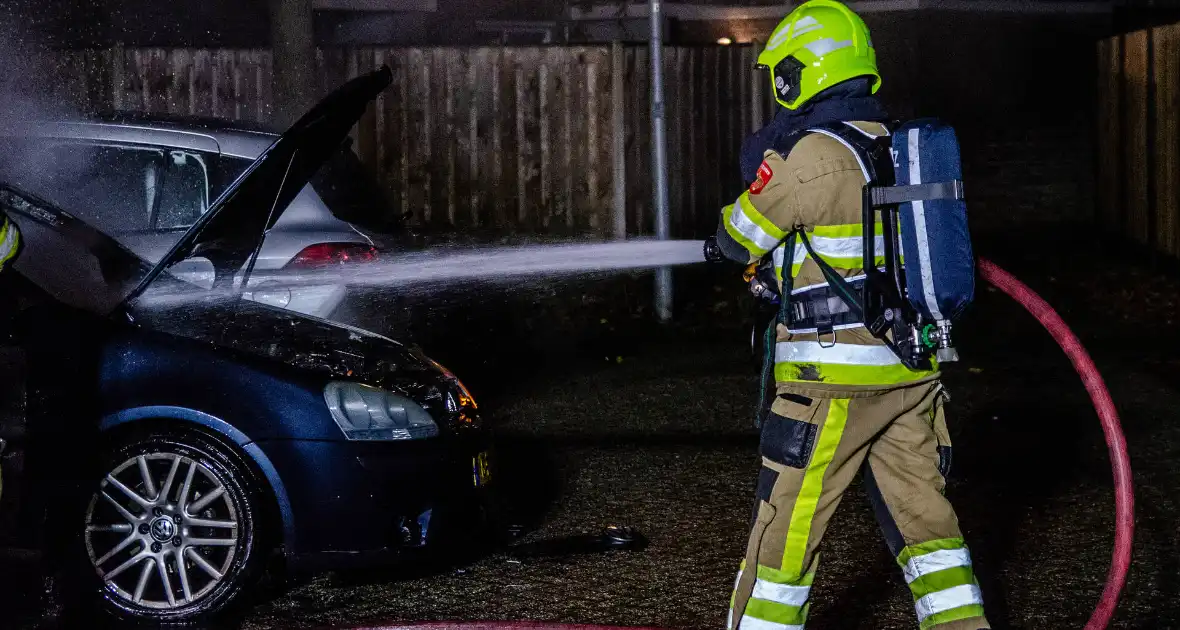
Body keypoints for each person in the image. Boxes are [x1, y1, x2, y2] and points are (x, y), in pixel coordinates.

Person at [708, 2, 990, 629]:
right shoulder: (898, 146)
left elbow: (738, 238)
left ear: (802, 72)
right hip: (911, 374)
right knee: (927, 522)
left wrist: (722, 236)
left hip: (831, 381)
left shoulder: (811, 156)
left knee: (786, 530)